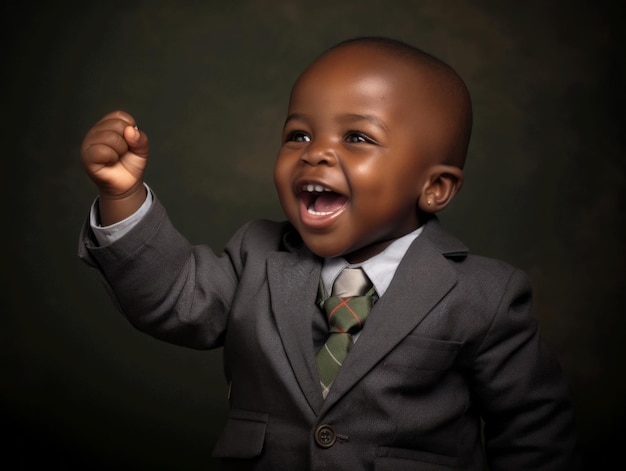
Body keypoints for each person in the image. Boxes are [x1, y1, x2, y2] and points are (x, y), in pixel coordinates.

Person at [78, 37, 581, 470]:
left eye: (358, 137)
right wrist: (122, 198)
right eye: (298, 134)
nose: (315, 152)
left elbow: (533, 428)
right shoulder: (257, 253)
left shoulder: (484, 294)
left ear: (436, 188)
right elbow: (174, 299)